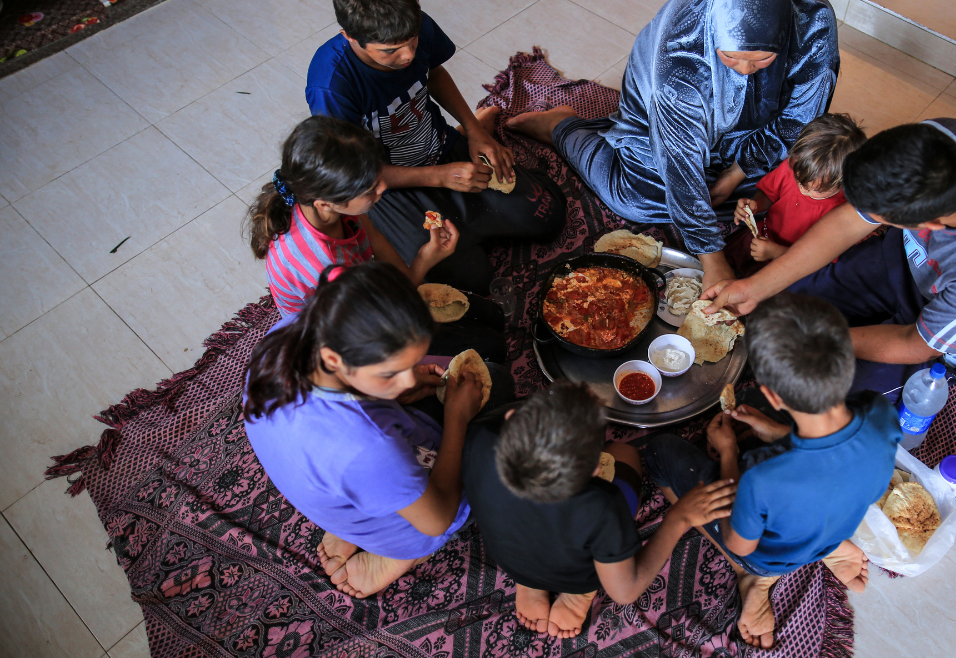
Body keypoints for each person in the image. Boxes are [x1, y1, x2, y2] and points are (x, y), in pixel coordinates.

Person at [505, 0, 839, 290]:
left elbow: (796, 123)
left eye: (762, 59)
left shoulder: (813, 28)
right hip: (663, 123)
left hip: (758, 133)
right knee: (634, 199)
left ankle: (719, 182)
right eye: (730, 57)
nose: (744, 71)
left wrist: (734, 174)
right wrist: (713, 258)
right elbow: (678, 155)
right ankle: (562, 128)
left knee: (777, 199)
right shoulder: (681, 45)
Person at [704, 119, 956, 395]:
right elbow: (846, 223)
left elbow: (914, 344)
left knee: (815, 388)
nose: (860, 216)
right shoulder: (938, 140)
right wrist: (755, 287)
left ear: (931, 224)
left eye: (878, 218)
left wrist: (823, 340)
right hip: (906, 260)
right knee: (778, 311)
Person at [243, 262, 515, 599]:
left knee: (477, 362)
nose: (408, 379)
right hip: (416, 520)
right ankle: (406, 553)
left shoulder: (289, 336)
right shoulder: (369, 447)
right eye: (390, 373)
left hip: (347, 486)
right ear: (335, 360)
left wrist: (401, 383)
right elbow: (438, 518)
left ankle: (356, 524)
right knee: (498, 389)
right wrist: (457, 416)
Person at [643, 293, 900, 648]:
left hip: (766, 555)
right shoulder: (880, 413)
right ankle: (828, 549)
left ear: (776, 394)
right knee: (752, 410)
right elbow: (833, 455)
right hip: (829, 522)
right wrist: (776, 431)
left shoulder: (761, 479)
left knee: (659, 453)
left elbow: (740, 542)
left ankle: (755, 579)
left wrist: (729, 451)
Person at [306, 0, 566, 295]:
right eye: (390, 51)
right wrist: (442, 177)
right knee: (465, 281)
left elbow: (434, 73)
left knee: (547, 215)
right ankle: (468, 225)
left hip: (439, 149)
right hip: (386, 188)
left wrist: (473, 130)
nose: (407, 57)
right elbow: (354, 176)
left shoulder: (415, 25)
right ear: (349, 36)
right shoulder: (332, 85)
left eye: (413, 41)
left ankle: (470, 201)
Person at [462, 382, 737, 638]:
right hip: (576, 569)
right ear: (597, 469)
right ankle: (579, 592)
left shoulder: (477, 440)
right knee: (625, 452)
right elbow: (626, 591)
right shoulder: (601, 504)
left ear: (511, 420)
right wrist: (680, 517)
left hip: (515, 560)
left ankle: (530, 582)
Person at [245, 115, 507, 361]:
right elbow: (373, 324)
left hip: (362, 296)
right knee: (492, 350)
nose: (383, 187)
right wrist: (423, 262)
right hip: (348, 334)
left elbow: (374, 238)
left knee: (493, 316)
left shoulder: (328, 206)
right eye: (370, 189)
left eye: (377, 177)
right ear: (327, 203)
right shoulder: (326, 266)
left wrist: (410, 275)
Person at [726, 113, 865, 276]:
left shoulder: (842, 212)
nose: (802, 189)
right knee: (723, 262)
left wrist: (776, 253)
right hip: (761, 235)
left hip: (792, 262)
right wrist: (754, 206)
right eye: (798, 180)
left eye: (815, 190)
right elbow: (768, 193)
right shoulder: (796, 167)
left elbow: (817, 259)